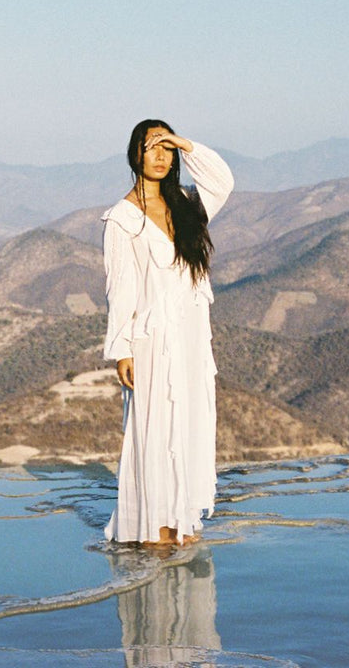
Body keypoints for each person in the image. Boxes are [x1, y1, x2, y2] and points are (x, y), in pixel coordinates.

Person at [101, 119, 234, 547]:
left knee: (190, 422)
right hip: (152, 342)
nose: (160, 155)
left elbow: (223, 181)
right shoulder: (122, 219)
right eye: (151, 146)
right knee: (154, 429)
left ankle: (182, 518)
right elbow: (119, 289)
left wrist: (184, 143)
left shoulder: (187, 204)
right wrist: (122, 349)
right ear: (134, 154)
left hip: (192, 340)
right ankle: (152, 527)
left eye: (166, 148)